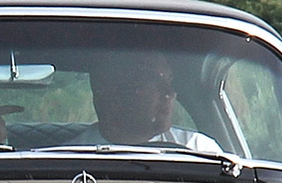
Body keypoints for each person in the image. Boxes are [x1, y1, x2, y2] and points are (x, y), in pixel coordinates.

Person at [86, 52, 224, 152]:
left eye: (169, 80)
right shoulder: (71, 157)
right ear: (114, 92)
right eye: (153, 80)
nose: (170, 93)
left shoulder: (199, 150)